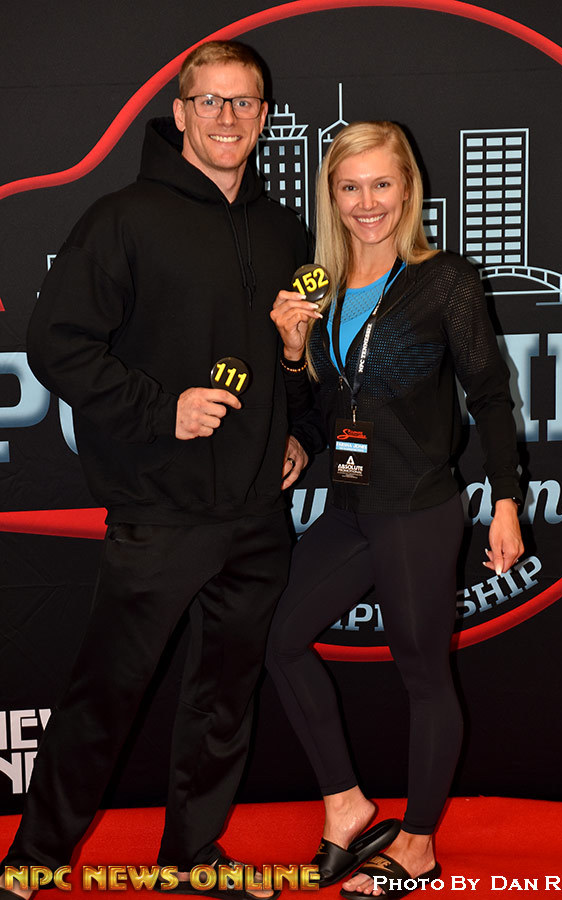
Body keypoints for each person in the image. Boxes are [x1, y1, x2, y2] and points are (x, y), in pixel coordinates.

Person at [0, 40, 310, 899]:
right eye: (210, 101)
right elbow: (56, 344)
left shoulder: (284, 229)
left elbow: (290, 354)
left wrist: (294, 434)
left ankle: (192, 857)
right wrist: (159, 408)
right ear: (180, 113)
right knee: (105, 698)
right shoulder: (124, 218)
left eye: (244, 103)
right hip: (159, 508)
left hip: (258, 514)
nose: (227, 118)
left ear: (264, 116)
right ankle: (31, 862)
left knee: (224, 699)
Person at [267, 121, 524, 899]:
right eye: (350, 187)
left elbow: (491, 397)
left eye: (382, 184)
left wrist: (505, 501)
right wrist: (291, 358)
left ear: (408, 189)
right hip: (349, 507)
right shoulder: (317, 285)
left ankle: (417, 846)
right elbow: (321, 408)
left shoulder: (443, 280)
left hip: (417, 510)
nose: (367, 202)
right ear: (332, 195)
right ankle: (346, 806)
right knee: (277, 641)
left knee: (423, 676)